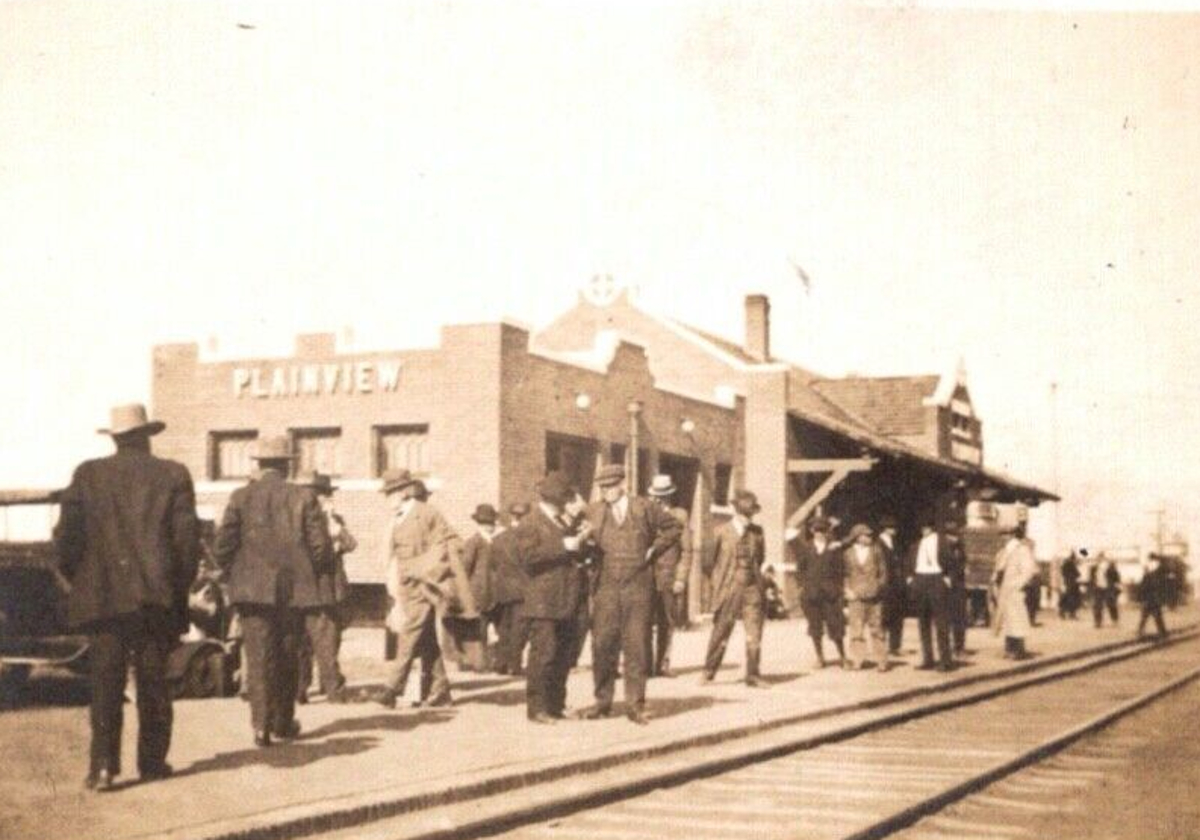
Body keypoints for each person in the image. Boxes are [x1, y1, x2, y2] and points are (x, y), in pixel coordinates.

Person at [54, 404, 199, 791]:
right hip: (155, 601)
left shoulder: (88, 475)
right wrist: (177, 590)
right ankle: (151, 763)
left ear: (115, 437)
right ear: (148, 435)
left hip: (103, 600)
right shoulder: (173, 474)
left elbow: (66, 542)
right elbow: (187, 545)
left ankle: (103, 767)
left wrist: (85, 580)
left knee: (105, 685)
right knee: (153, 683)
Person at [213, 435, 331, 747]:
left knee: (258, 655)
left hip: (252, 592)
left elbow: (222, 547)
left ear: (259, 465)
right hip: (294, 592)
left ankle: (260, 726)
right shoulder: (304, 497)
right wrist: (308, 573)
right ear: (286, 465)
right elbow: (321, 548)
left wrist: (233, 573)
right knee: (289, 654)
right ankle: (282, 722)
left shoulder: (240, 497)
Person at [582, 463, 682, 725]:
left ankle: (635, 705)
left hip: (638, 586)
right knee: (603, 644)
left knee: (637, 646)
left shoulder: (644, 507)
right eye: (602, 488)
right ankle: (602, 702)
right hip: (605, 586)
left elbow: (673, 528)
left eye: (610, 487)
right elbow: (576, 537)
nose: (605, 493)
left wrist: (654, 550)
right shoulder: (593, 511)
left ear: (621, 485)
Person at [376, 468, 461, 709]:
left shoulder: (427, 513)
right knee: (426, 639)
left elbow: (452, 542)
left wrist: (426, 568)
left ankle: (392, 688)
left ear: (404, 491)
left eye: (391, 492)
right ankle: (441, 689)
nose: (387, 497)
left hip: (424, 585)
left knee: (409, 634)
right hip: (404, 586)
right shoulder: (396, 517)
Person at [513, 472, 590, 723]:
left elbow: (569, 553)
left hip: (566, 599)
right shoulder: (530, 523)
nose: (569, 501)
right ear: (555, 498)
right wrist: (564, 547)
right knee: (543, 656)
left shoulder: (561, 522)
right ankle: (537, 709)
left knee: (564, 655)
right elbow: (527, 558)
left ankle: (556, 705)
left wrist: (581, 545)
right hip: (543, 603)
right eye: (566, 496)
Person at [294, 472, 356, 704]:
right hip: (313, 589)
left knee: (328, 641)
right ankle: (306, 689)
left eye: (324, 494)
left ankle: (327, 688)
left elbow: (351, 544)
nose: (322, 499)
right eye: (318, 494)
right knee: (309, 643)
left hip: (331, 589)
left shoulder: (334, 519)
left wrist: (336, 529)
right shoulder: (301, 519)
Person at [701, 490, 767, 686]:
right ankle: (708, 671)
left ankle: (753, 674)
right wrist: (717, 583)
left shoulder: (758, 533)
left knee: (754, 633)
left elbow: (760, 559)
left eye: (751, 514)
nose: (748, 518)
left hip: (752, 588)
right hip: (728, 588)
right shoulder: (720, 532)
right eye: (744, 514)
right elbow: (707, 563)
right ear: (735, 512)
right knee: (721, 630)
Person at [645, 474, 693, 678]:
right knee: (644, 621)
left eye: (664, 495)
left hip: (669, 575)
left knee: (667, 621)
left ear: (670, 495)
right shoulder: (646, 514)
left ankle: (662, 663)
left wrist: (681, 578)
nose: (660, 500)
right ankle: (646, 665)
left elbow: (687, 550)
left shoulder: (679, 516)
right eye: (657, 495)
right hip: (646, 576)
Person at [792, 517, 846, 669]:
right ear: (812, 531)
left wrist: (838, 589)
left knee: (836, 626)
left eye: (823, 530)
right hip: (811, 594)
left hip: (830, 595)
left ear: (827, 531)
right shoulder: (806, 548)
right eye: (817, 530)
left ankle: (843, 657)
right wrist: (802, 586)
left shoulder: (833, 549)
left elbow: (840, 570)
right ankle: (820, 657)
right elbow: (800, 569)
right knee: (815, 628)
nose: (820, 534)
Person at [906, 520, 956, 672]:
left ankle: (945, 660)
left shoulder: (944, 542)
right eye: (922, 527)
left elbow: (954, 562)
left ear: (932, 528)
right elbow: (908, 563)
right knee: (923, 622)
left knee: (941, 622)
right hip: (921, 579)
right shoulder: (916, 545)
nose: (924, 530)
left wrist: (947, 579)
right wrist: (910, 578)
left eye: (927, 527)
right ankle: (928, 659)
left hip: (936, 579)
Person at [489, 502, 531, 674]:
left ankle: (501, 663)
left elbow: (493, 564)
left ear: (512, 516)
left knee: (504, 627)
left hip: (503, 589)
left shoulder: (498, 539)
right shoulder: (528, 538)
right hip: (523, 589)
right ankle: (514, 665)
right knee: (519, 628)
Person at [843, 523, 889, 672]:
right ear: (857, 537)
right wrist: (847, 590)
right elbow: (844, 574)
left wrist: (878, 587)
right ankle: (858, 660)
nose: (869, 537)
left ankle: (881, 661)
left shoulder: (876, 551)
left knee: (877, 629)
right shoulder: (848, 553)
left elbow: (883, 572)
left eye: (870, 535)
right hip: (855, 596)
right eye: (865, 535)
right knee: (856, 630)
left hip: (874, 596)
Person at [461, 503, 501, 670]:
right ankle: (477, 663)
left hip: (495, 592)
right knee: (479, 629)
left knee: (495, 628)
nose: (489, 526)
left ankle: (493, 662)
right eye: (485, 523)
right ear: (479, 524)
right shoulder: (474, 542)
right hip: (479, 592)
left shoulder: (497, 542)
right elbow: (465, 568)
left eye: (491, 523)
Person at [991, 520, 1038, 660]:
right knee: (1007, 621)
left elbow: (1029, 570)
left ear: (1012, 535)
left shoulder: (1022, 550)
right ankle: (1009, 648)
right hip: (1004, 589)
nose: (1003, 537)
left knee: (1017, 620)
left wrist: (1018, 584)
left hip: (1015, 590)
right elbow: (999, 568)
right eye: (1002, 534)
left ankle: (1018, 650)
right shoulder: (1005, 551)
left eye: (1005, 534)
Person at [877, 516, 906, 656]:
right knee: (884, 615)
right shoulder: (878, 544)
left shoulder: (896, 543)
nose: (894, 530)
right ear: (885, 529)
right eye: (891, 527)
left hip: (896, 584)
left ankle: (895, 646)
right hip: (885, 584)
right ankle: (882, 645)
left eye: (894, 527)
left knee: (897, 615)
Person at [943, 520, 970, 655]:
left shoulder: (959, 547)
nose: (955, 538)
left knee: (960, 618)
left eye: (955, 535)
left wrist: (965, 568)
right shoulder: (942, 548)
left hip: (959, 586)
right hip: (946, 587)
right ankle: (947, 647)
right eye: (952, 535)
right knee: (946, 619)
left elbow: (964, 562)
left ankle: (959, 646)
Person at [1137, 554, 1170, 641]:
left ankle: (1142, 631)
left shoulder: (1153, 572)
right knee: (1153, 615)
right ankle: (1162, 632)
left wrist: (1141, 598)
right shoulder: (1155, 572)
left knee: (1148, 615)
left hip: (1152, 598)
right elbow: (1144, 585)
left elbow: (1143, 586)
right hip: (1152, 598)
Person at [1090, 554, 1121, 627]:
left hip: (1108, 589)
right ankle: (1098, 622)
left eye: (1103, 560)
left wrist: (1116, 585)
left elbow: (1117, 577)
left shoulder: (1111, 568)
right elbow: (1091, 579)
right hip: (1098, 588)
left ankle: (1114, 620)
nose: (1101, 562)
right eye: (1099, 560)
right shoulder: (1094, 568)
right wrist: (1093, 587)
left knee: (1111, 605)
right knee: (1097, 606)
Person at [1059, 550, 1084, 619]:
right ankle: (1071, 614)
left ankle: (1063, 613)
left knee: (1065, 599)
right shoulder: (1071, 564)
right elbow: (1077, 573)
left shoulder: (1065, 564)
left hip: (1066, 583)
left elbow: (1063, 573)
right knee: (1073, 599)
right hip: (1072, 584)